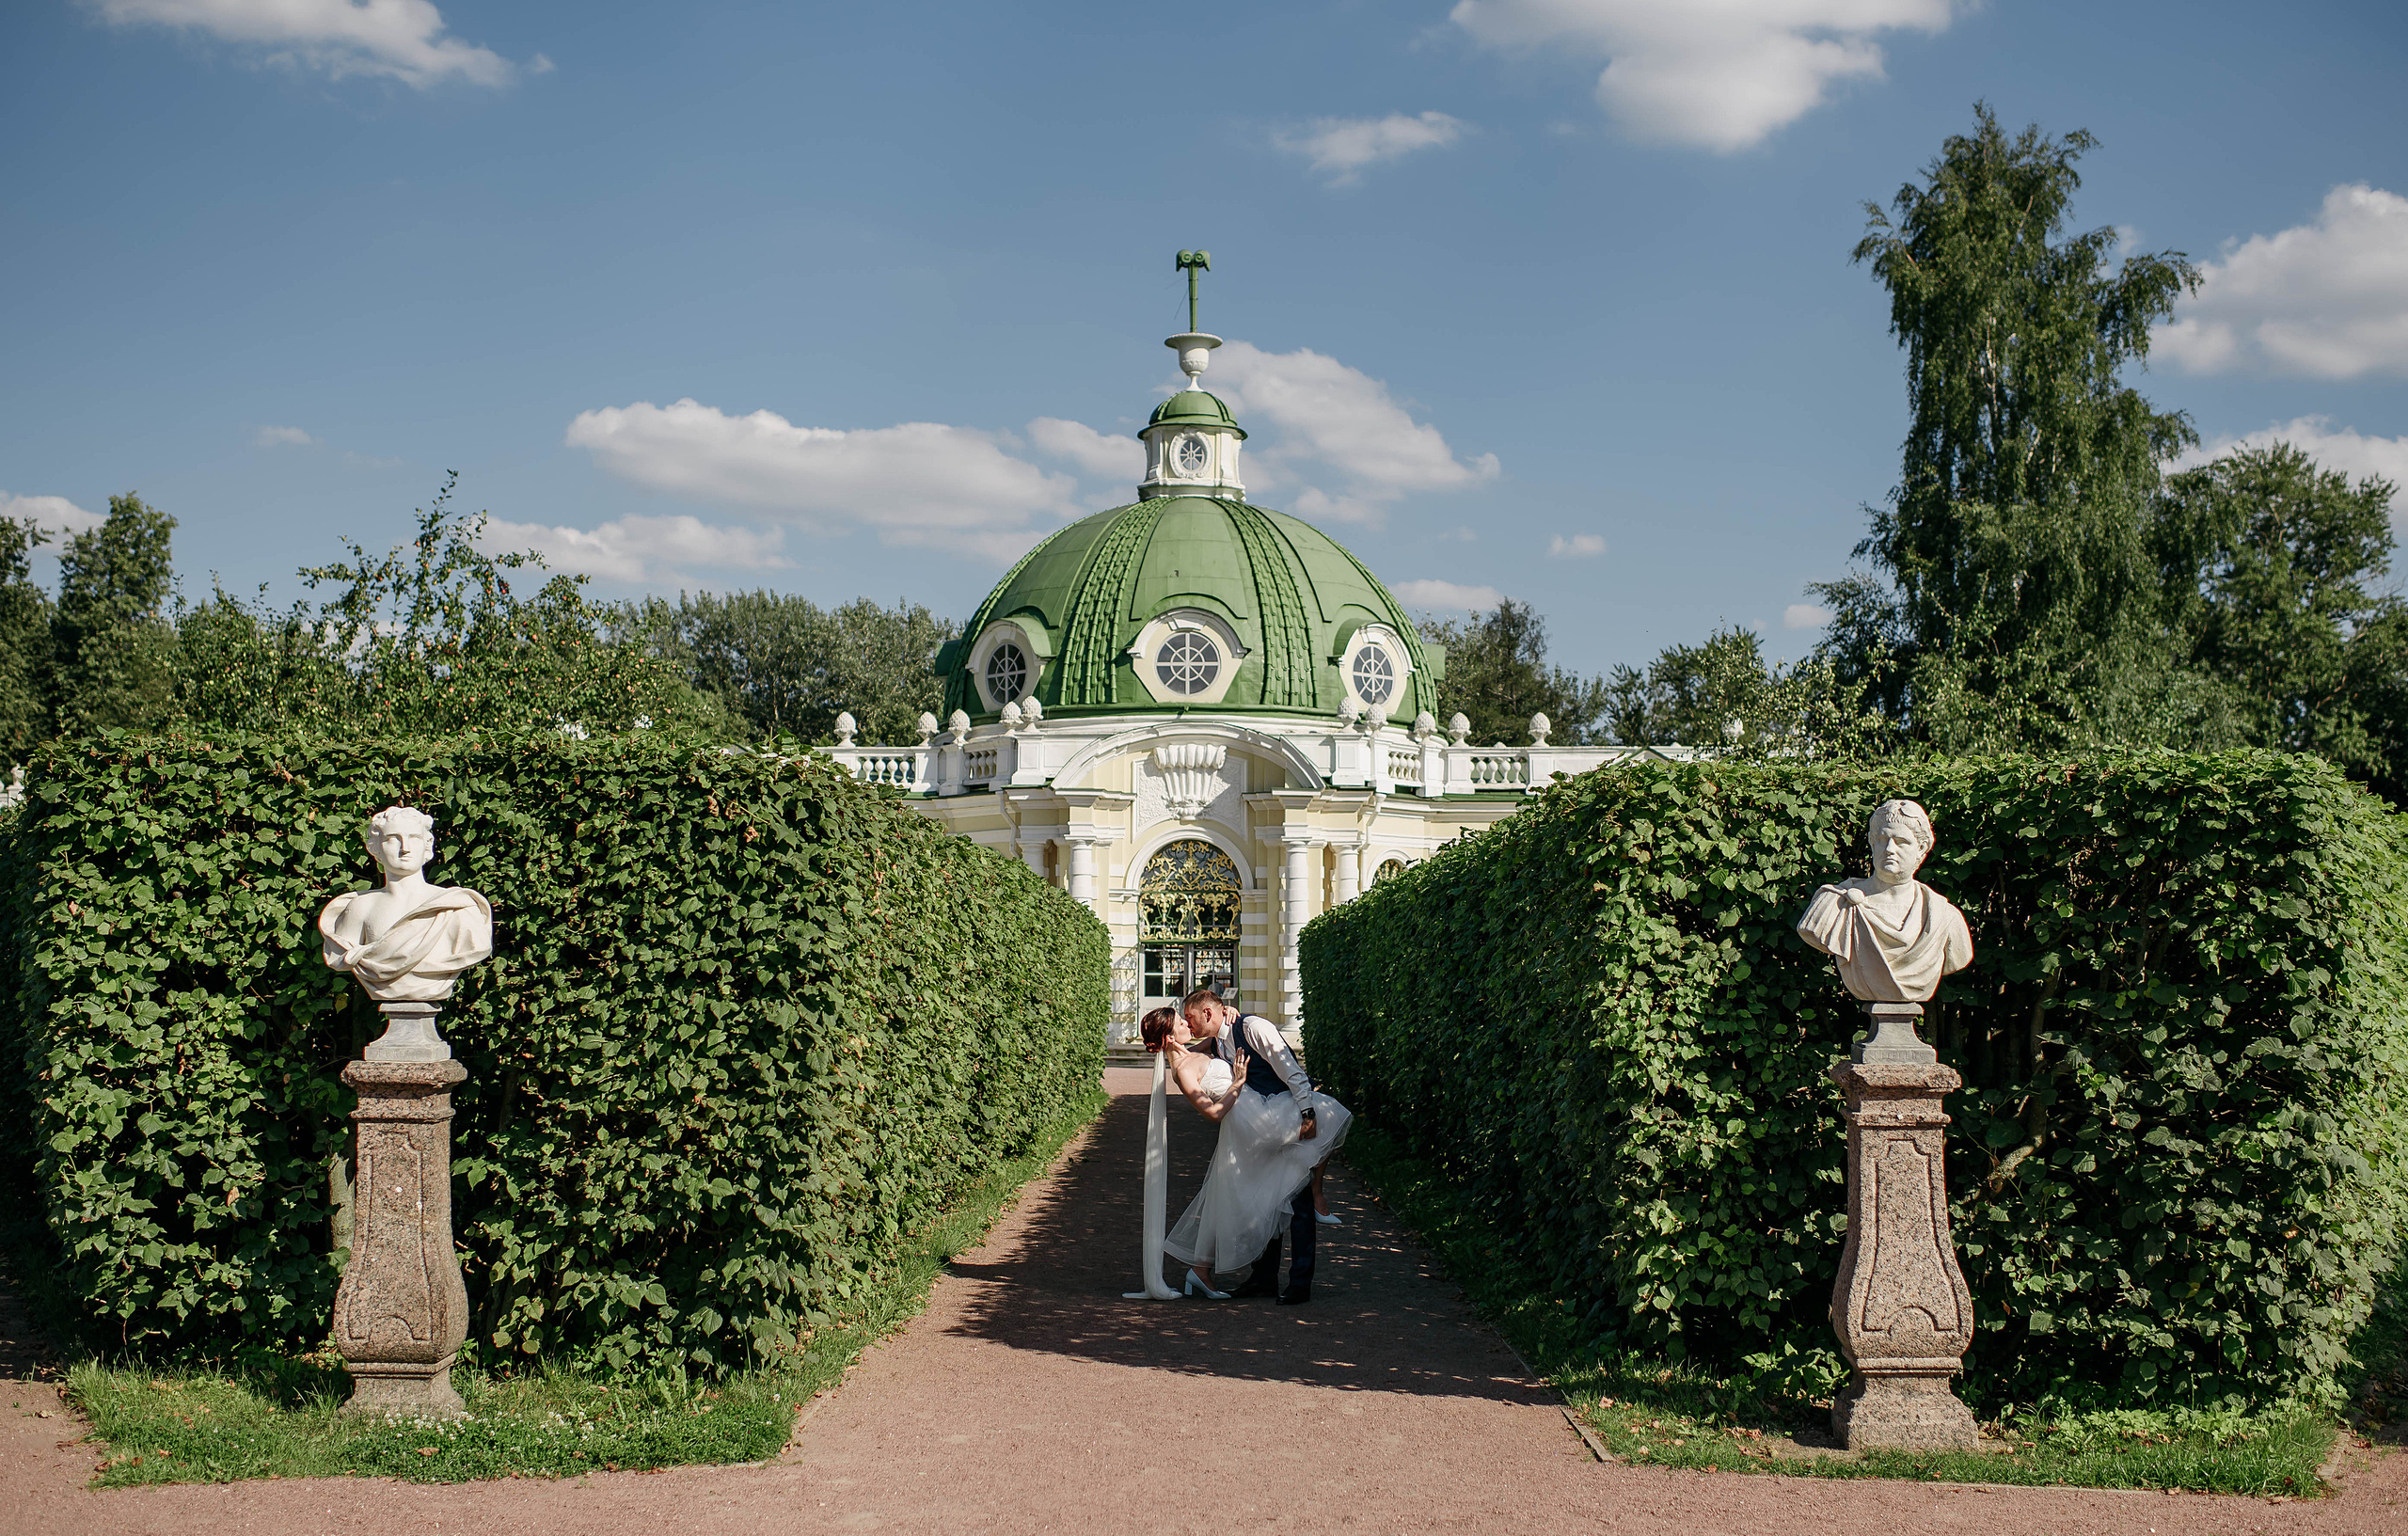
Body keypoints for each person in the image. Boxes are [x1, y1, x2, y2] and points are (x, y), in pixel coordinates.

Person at [1173, 988, 1350, 1304]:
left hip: (1288, 1118)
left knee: (1297, 1201)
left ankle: (1299, 1284)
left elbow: (1290, 1068)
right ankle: (1264, 1280)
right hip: (1259, 1130)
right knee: (1266, 1202)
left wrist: (1307, 1112)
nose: (1189, 1023)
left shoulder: (1253, 1028)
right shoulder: (1217, 1041)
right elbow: (1181, 1049)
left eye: (1191, 1017)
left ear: (1209, 1013)